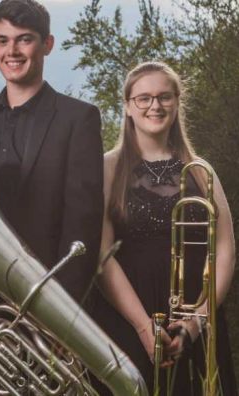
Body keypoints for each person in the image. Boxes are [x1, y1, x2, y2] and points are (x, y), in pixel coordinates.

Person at [0, 0, 104, 394]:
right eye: (2, 40)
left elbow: (83, 222)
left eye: (24, 40)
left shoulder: (79, 118)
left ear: (46, 44)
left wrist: (64, 318)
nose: (11, 52)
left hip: (47, 302)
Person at [93, 61, 237, 395]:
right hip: (131, 316)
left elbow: (227, 251)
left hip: (197, 318)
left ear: (176, 102)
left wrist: (197, 321)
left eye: (164, 97)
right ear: (128, 106)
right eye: (143, 98)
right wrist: (144, 327)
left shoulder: (201, 170)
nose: (154, 106)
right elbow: (102, 255)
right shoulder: (107, 168)